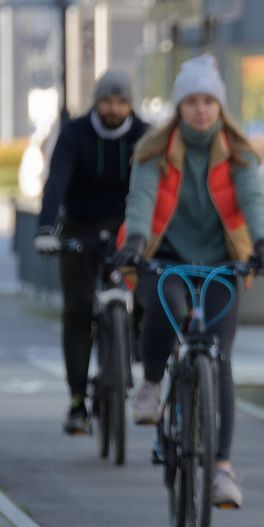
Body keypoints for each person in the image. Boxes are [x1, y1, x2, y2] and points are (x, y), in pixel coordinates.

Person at [113, 54, 264, 509]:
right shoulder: (154, 150)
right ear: (179, 106)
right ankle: (152, 383)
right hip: (166, 258)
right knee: (165, 307)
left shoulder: (237, 152)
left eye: (209, 100)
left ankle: (222, 468)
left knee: (219, 358)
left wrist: (262, 243)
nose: (201, 109)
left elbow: (252, 198)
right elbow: (141, 197)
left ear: (220, 105)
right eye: (192, 101)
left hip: (220, 264)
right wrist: (136, 240)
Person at [33, 69, 149, 436]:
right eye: (107, 101)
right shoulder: (75, 132)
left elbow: (158, 184)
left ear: (130, 104)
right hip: (79, 224)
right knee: (78, 309)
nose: (114, 108)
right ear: (96, 102)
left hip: (129, 226)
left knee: (149, 294)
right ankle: (77, 401)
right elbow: (57, 180)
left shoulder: (144, 134)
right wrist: (46, 228)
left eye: (121, 101)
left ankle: (135, 355)